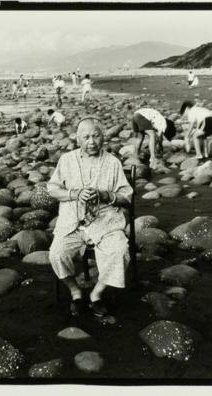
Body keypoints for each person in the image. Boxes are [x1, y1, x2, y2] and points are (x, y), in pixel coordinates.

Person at [47, 118, 133, 320]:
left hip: (106, 222)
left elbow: (126, 196)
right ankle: (75, 291)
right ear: (78, 139)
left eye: (96, 136)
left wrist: (106, 195)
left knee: (119, 251)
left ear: (103, 137)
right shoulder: (66, 160)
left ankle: (96, 294)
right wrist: (74, 194)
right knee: (57, 254)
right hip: (72, 222)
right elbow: (52, 188)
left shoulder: (113, 162)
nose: (92, 141)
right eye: (86, 137)